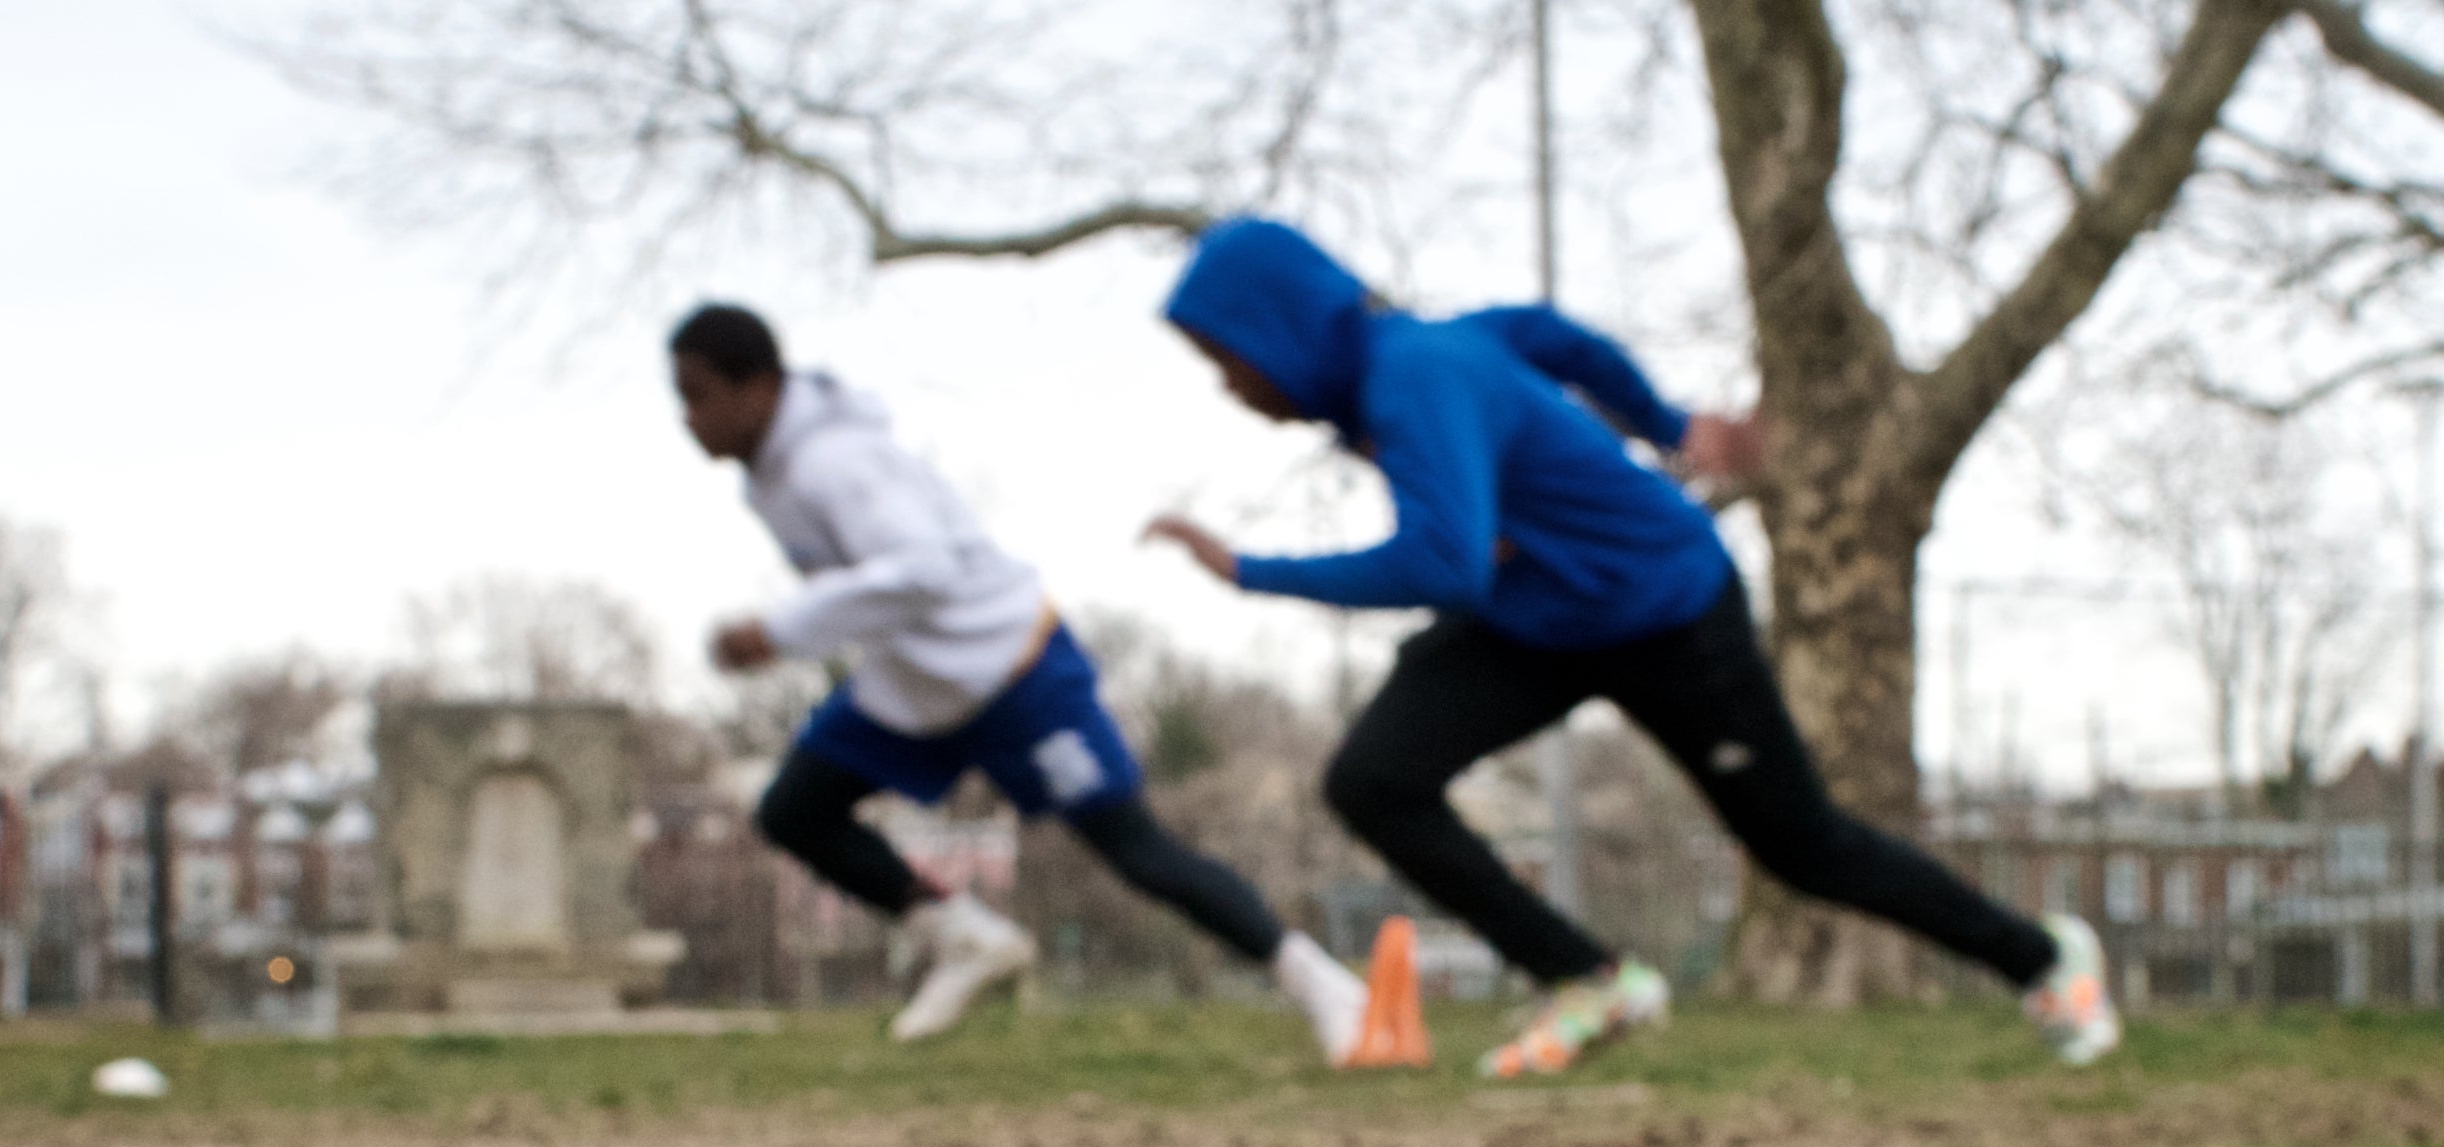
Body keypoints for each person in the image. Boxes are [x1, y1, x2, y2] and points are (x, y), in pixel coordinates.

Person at [1139, 218, 2120, 1075]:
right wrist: (1665, 421)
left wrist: (1247, 570)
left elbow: (1446, 564)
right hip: (1545, 620)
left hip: (1667, 612)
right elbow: (1549, 334)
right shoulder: (1418, 358)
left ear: (1283, 327)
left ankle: (2046, 962)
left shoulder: (1414, 378)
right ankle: (1588, 980)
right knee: (1375, 777)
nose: (1232, 386)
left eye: (1230, 359)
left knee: (1805, 847)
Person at [669, 302, 1370, 1055]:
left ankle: (1324, 985)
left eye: (698, 393)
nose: (688, 417)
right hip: (914, 686)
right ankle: (961, 935)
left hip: (1013, 665)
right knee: (794, 811)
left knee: (1137, 851)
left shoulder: (833, 462)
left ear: (759, 388)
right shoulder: (768, 480)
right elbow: (877, 593)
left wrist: (779, 630)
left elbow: (925, 570)